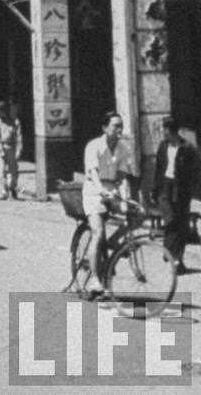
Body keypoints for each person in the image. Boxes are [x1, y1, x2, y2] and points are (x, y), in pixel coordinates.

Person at [82, 111, 136, 296]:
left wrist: (126, 197)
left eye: (121, 126)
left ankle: (113, 242)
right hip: (93, 192)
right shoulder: (93, 146)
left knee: (138, 213)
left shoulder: (123, 148)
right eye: (116, 126)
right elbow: (93, 173)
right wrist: (101, 190)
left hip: (113, 191)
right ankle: (95, 278)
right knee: (98, 233)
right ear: (105, 128)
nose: (119, 130)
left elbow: (123, 176)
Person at [151, 115, 198, 275]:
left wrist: (190, 189)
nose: (163, 132)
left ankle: (178, 260)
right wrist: (154, 190)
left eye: (165, 129)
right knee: (170, 220)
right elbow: (158, 168)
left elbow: (194, 171)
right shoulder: (163, 146)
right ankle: (171, 253)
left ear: (172, 131)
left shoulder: (187, 148)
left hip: (181, 188)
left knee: (182, 224)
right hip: (165, 186)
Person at [0, 100, 23, 200]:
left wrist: (18, 150)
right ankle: (3, 192)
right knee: (0, 171)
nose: (1, 112)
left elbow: (19, 138)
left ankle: (12, 187)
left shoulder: (15, 122)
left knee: (13, 172)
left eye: (3, 110)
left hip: (11, 147)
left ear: (7, 110)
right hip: (0, 148)